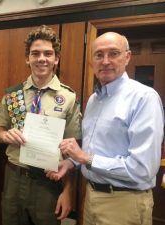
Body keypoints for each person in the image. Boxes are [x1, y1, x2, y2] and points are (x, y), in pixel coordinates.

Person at [60, 32, 164, 225]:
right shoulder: (94, 100)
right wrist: (72, 163)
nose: (105, 61)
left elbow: (143, 168)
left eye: (113, 53)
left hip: (124, 203)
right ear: (91, 61)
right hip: (91, 197)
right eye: (99, 55)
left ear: (127, 57)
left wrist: (84, 158)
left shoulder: (143, 98)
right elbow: (96, 150)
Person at [0, 25, 82, 225]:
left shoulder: (68, 98)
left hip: (48, 181)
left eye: (48, 54)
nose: (41, 58)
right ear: (28, 58)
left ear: (56, 59)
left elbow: (72, 149)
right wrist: (5, 136)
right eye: (35, 54)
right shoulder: (12, 94)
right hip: (14, 177)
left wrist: (68, 191)